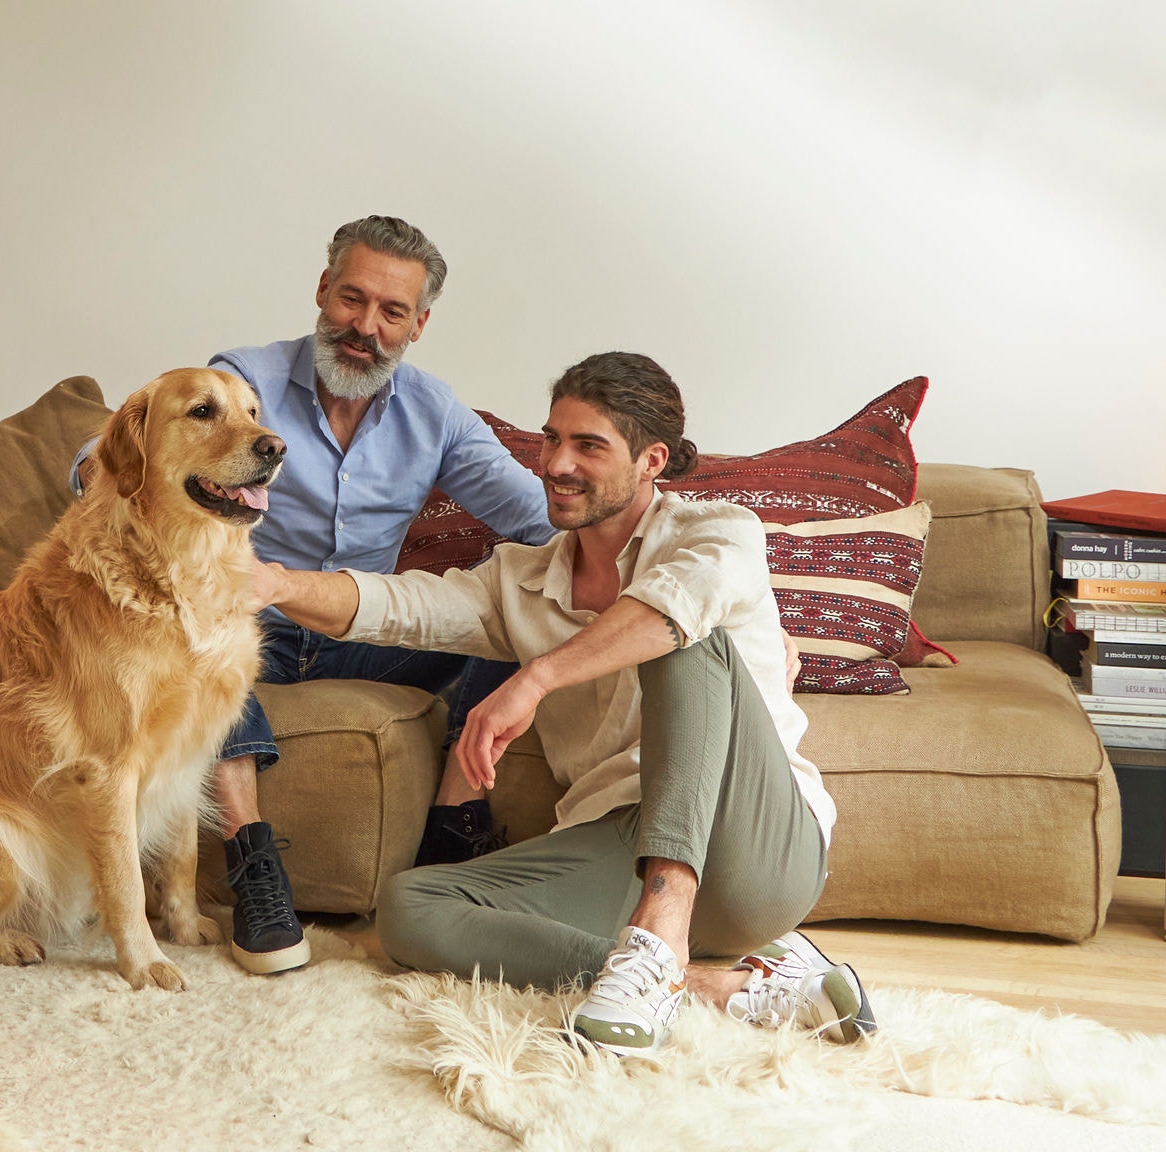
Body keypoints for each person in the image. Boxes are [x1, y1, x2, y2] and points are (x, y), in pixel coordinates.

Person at [249, 351, 876, 1054]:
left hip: (754, 845)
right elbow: (399, 606)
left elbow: (671, 611)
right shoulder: (520, 579)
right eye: (551, 439)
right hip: (619, 842)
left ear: (651, 460)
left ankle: (662, 934)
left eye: (587, 445)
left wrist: (537, 677)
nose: (555, 463)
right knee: (411, 909)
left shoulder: (719, 531)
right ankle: (710, 985)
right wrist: (274, 583)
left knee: (681, 637)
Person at [75, 216, 554, 975]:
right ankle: (251, 860)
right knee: (200, 649)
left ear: (418, 324)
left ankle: (449, 836)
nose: (365, 327)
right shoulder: (247, 380)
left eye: (392, 312)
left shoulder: (434, 412)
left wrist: (680, 569)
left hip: (357, 629)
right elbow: (120, 452)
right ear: (323, 290)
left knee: (510, 625)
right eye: (352, 300)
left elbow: (541, 517)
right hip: (243, 620)